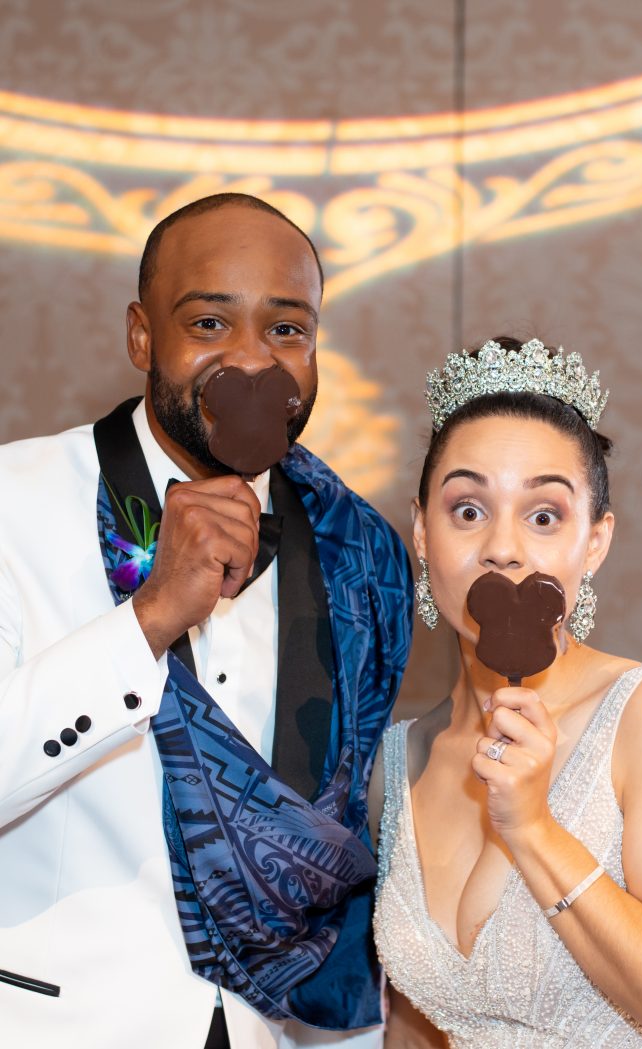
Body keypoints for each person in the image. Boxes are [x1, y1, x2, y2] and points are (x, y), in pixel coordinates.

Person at [0, 193, 413, 1049]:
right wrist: (147, 619)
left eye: (287, 330)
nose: (252, 363)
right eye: (210, 323)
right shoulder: (15, 503)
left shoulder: (360, 552)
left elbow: (346, 839)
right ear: (142, 336)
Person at [370, 336, 642, 1048]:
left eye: (544, 515)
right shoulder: (399, 757)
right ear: (422, 532)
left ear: (595, 541)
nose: (504, 547)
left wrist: (535, 830)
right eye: (467, 509)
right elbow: (416, 1025)